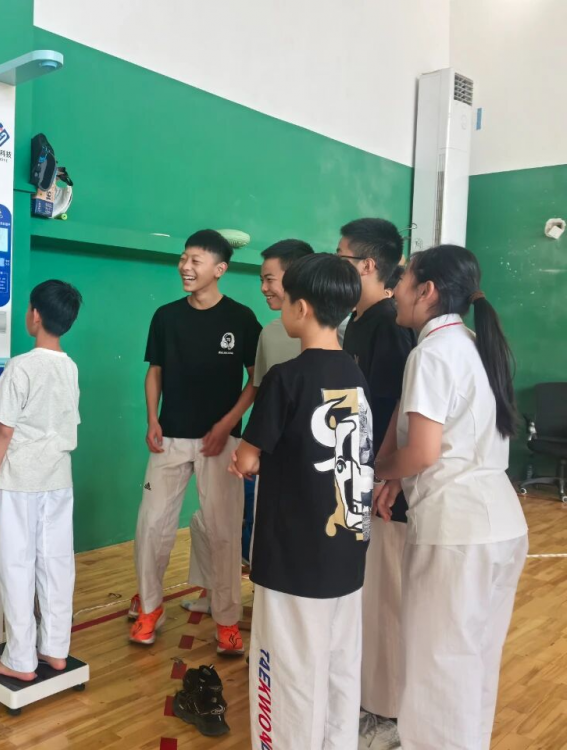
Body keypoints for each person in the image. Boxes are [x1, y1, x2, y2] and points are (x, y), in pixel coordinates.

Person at [374, 245, 528, 750]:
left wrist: (377, 471)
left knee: (437, 669)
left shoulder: (432, 352)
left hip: (457, 531)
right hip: (501, 523)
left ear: (427, 291)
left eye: (403, 280)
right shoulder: (473, 343)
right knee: (474, 663)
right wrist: (398, 477)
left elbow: (422, 452)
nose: (394, 290)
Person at [231, 253, 373, 749]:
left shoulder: (285, 377)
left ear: (303, 308)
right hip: (347, 557)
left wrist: (247, 460)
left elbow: (248, 457)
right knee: (338, 671)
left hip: (293, 561)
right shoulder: (356, 374)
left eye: (285, 297)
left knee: (287, 677)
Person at [129, 229, 261, 655]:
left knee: (224, 532)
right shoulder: (166, 316)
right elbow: (155, 371)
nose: (185, 267)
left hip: (220, 445)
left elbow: (256, 379)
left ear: (219, 269)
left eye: (196, 261)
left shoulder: (241, 319)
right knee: (151, 526)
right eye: (183, 258)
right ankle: (150, 609)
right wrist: (152, 418)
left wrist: (228, 424)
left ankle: (226, 620)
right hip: (169, 438)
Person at [182, 239, 314, 616]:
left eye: (269, 279)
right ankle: (237, 602)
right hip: (267, 461)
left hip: (306, 468)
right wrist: (246, 446)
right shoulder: (270, 334)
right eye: (261, 279)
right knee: (214, 524)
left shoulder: (333, 335)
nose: (263, 288)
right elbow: (261, 395)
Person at [336, 218, 416, 749]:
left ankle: (387, 717)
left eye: (341, 255)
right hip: (359, 483)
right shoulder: (359, 321)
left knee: (386, 602)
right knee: (366, 601)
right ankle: (366, 699)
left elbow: (396, 417)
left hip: (385, 494)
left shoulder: (390, 326)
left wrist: (386, 480)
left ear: (367, 265)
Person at [0, 280, 83, 681]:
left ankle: (20, 660)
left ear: (35, 315)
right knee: (57, 563)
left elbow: (4, 430)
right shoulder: (69, 366)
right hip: (58, 479)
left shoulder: (21, 366)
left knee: (16, 564)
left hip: (21, 479)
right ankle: (56, 649)